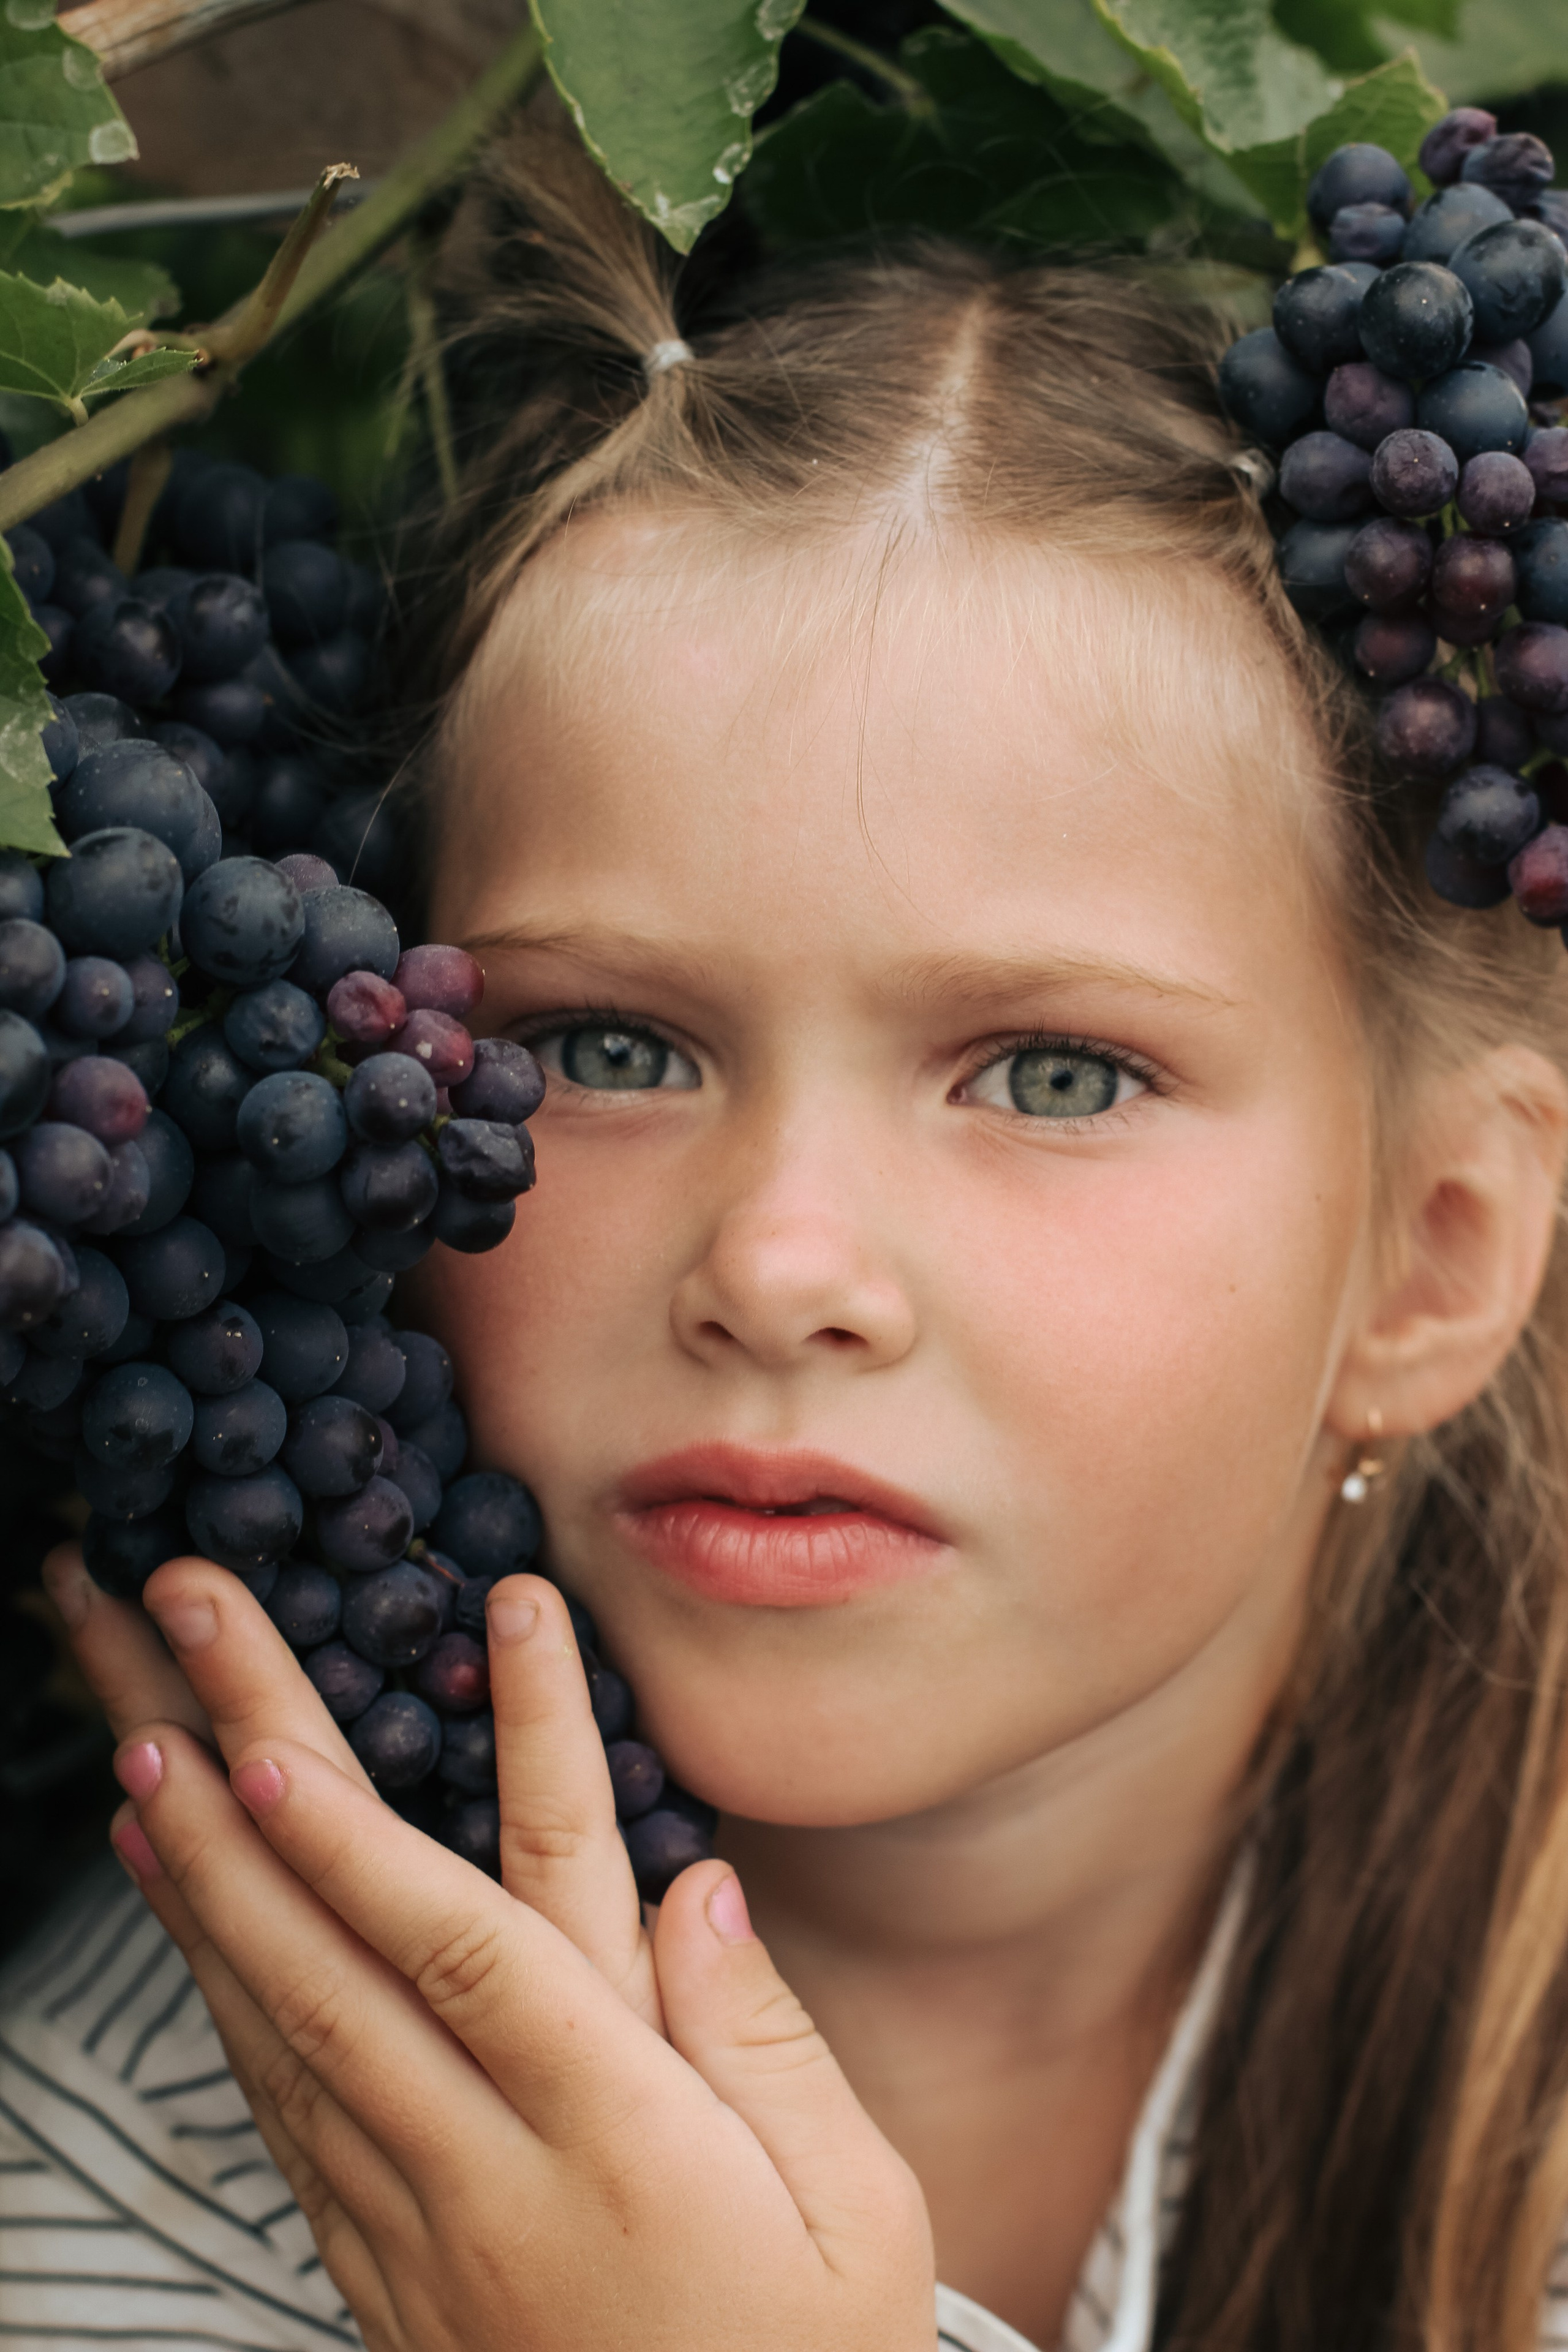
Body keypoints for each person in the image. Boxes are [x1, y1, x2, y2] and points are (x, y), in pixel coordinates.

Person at [7, 109, 1568, 2352]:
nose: (782, 1265)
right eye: (619, 1048)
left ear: (1431, 1254)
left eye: (1049, 1074)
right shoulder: (124, 2196)